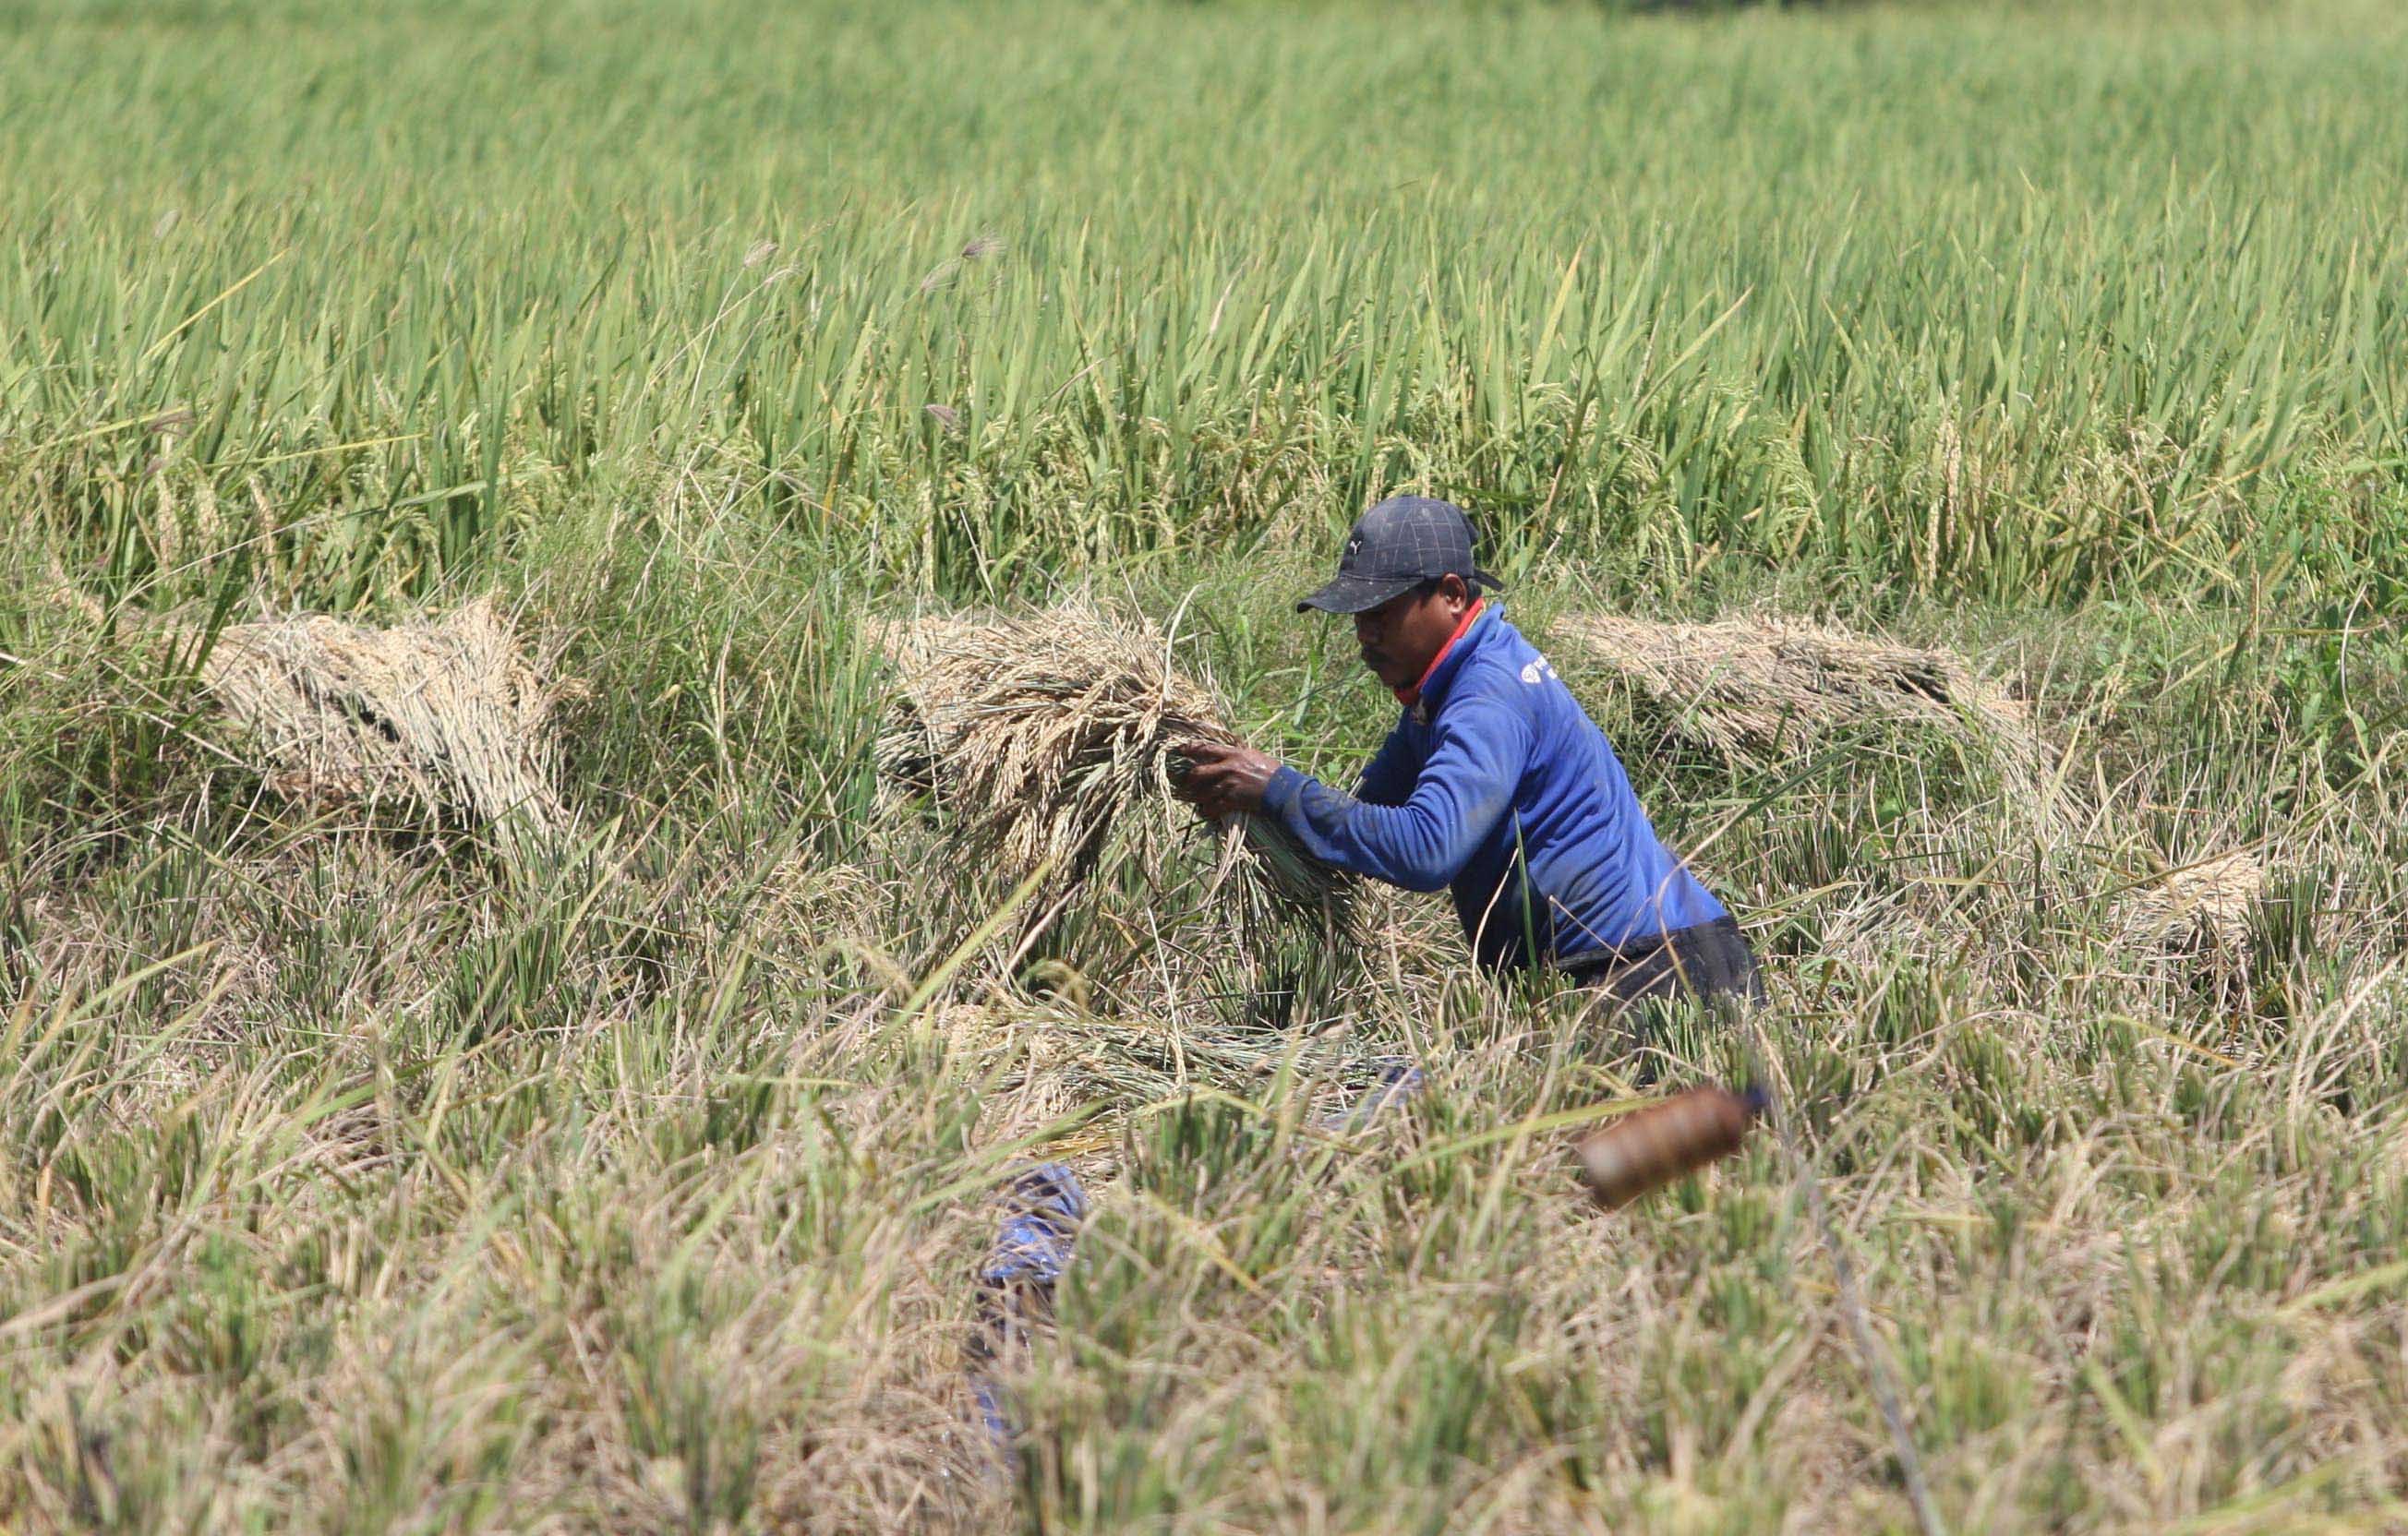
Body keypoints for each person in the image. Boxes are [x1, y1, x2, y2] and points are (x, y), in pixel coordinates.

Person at [1175, 495, 1762, 1013]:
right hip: (1618, 967)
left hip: (1656, 974)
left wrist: (1280, 788)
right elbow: (1368, 820)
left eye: (1381, 613)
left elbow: (1426, 850)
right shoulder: (1439, 696)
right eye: (1357, 617)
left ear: (1452, 595)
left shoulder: (1487, 697)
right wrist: (1245, 798)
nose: (1364, 635)